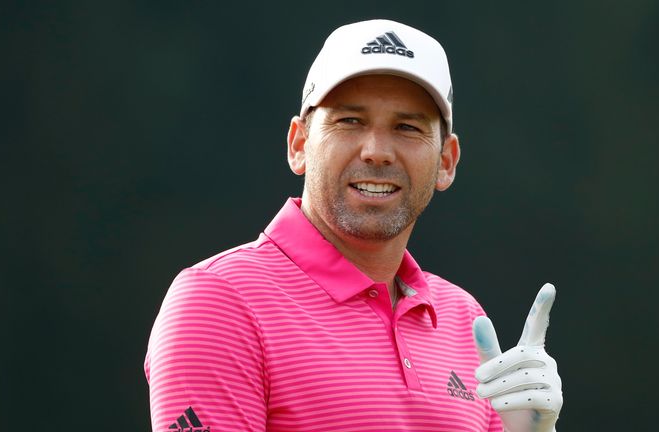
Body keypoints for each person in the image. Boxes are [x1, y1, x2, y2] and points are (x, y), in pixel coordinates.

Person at [145, 19, 562, 432]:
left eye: (407, 127)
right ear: (299, 144)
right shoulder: (219, 302)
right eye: (350, 121)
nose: (377, 151)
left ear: (446, 162)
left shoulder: (463, 319)